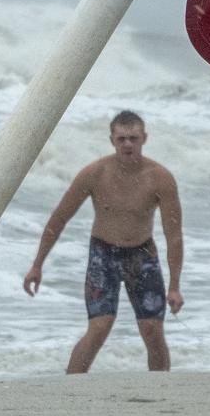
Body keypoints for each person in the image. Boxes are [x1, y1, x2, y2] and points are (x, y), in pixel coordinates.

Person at [22, 109, 183, 373]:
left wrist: (175, 286)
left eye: (133, 137)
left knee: (153, 331)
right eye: (121, 139)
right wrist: (37, 265)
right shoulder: (94, 174)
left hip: (142, 255)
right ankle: (71, 387)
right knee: (99, 326)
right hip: (103, 255)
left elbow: (173, 235)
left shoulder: (160, 178)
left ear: (144, 138)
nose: (128, 144)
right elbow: (59, 218)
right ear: (112, 140)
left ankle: (160, 389)